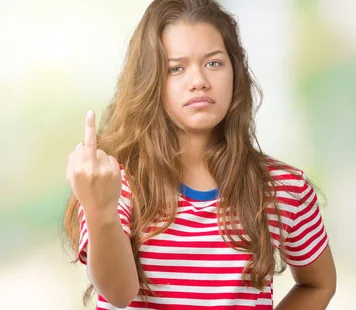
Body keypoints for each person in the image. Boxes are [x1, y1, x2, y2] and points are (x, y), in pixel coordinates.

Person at [63, 0, 336, 309]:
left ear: (236, 70)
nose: (199, 82)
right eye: (175, 68)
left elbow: (319, 283)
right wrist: (101, 211)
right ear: (149, 81)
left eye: (213, 63)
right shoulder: (114, 180)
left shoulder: (283, 188)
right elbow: (119, 293)